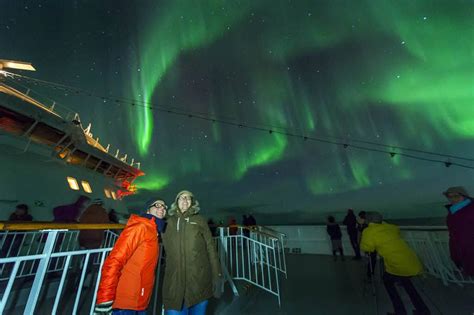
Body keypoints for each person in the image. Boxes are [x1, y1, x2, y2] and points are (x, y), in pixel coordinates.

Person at [94, 198, 167, 315]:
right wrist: (104, 299)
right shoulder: (140, 227)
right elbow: (114, 260)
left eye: (164, 206)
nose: (162, 208)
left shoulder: (154, 231)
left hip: (140, 300)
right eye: (157, 205)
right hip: (126, 302)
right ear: (147, 211)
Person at [162, 190, 221, 315]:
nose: (185, 200)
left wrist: (217, 276)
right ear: (176, 202)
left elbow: (211, 248)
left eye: (188, 198)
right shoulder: (167, 222)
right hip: (174, 285)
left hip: (199, 283)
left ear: (192, 203)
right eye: (181, 197)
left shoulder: (199, 220)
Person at [361, 212, 430, 315]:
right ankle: (423, 310)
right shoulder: (391, 228)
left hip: (396, 264)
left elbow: (367, 248)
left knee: (388, 282)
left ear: (368, 221)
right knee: (407, 284)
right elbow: (392, 228)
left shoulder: (369, 231)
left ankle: (400, 311)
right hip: (410, 260)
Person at [443, 186, 474, 275]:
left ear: (464, 196)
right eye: (450, 196)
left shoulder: (471, 209)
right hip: (460, 248)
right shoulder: (452, 211)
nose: (453, 199)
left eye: (456, 196)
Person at [358, 211, 376, 277]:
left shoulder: (361, 223)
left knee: (369, 258)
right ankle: (370, 272)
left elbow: (359, 233)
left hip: (366, 243)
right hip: (372, 242)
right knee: (372, 258)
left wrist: (359, 242)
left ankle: (369, 272)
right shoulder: (370, 223)